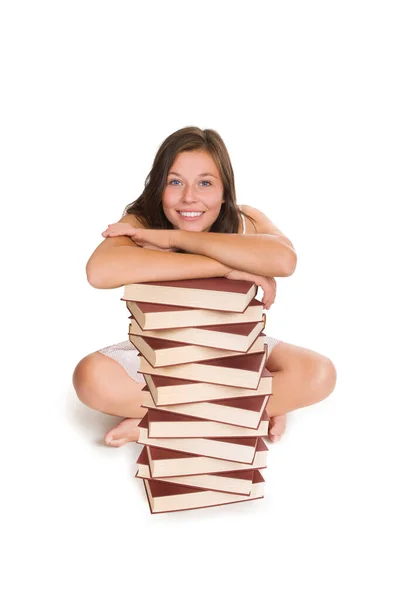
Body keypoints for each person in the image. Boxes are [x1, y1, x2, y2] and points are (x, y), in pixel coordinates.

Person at [72, 126, 337, 447]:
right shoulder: (140, 222)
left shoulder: (245, 220)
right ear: (159, 187)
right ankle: (250, 412)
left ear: (225, 191)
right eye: (175, 182)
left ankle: (160, 423)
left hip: (237, 351)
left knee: (318, 373)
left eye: (205, 183)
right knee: (91, 378)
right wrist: (232, 264)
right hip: (162, 358)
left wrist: (175, 239)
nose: (189, 197)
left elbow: (284, 260)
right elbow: (99, 272)